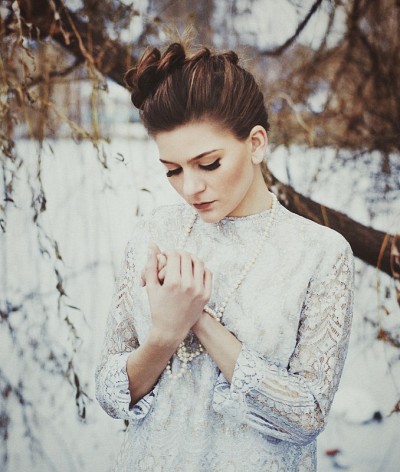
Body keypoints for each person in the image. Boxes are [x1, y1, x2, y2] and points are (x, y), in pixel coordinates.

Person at [95, 42, 354, 471]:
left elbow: (307, 416)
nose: (190, 187)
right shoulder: (155, 232)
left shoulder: (320, 253)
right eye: (173, 170)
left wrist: (198, 319)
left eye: (209, 164)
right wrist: (164, 336)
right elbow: (108, 394)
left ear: (256, 144)